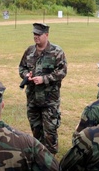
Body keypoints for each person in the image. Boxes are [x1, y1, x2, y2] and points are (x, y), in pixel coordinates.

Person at [18, 22, 68, 153]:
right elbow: (22, 67)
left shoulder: (57, 52)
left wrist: (44, 79)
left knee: (50, 131)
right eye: (34, 34)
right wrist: (26, 75)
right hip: (33, 99)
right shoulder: (29, 51)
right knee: (36, 129)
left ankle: (51, 159)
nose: (36, 37)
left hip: (49, 100)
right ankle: (39, 155)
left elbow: (62, 72)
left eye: (39, 34)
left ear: (46, 35)